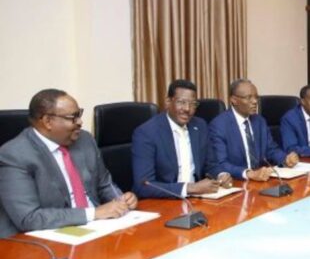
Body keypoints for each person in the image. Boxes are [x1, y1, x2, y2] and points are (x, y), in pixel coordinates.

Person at [0, 89, 137, 238]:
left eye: (79, 114)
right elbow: (29, 218)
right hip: (47, 237)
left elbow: (104, 184)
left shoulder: (85, 140)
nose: (80, 122)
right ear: (47, 121)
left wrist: (122, 200)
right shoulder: (14, 155)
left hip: (99, 228)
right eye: (73, 117)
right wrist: (93, 213)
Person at [132, 80, 231, 199]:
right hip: (164, 202)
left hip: (199, 199)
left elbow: (211, 164)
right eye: (182, 102)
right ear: (168, 102)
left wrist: (221, 175)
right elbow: (143, 185)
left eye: (193, 104)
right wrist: (189, 188)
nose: (187, 109)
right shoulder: (146, 133)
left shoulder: (200, 126)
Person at [208, 79, 299, 181]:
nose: (255, 101)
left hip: (261, 179)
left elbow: (271, 149)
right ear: (234, 100)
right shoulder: (219, 125)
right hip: (237, 182)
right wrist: (248, 173)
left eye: (256, 97)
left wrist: (285, 158)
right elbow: (221, 163)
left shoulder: (259, 121)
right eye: (248, 97)